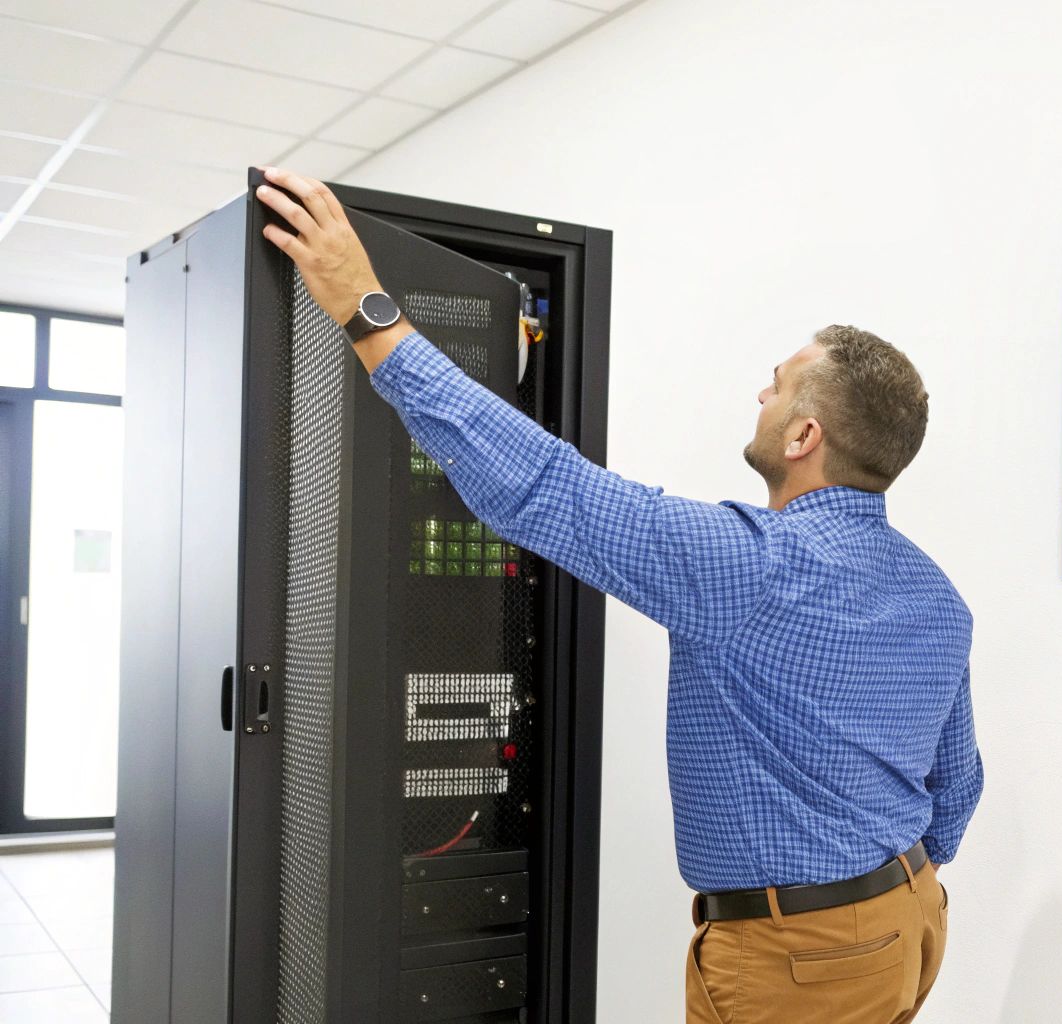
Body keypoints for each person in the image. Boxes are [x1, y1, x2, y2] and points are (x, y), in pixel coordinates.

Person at [255, 167, 984, 1023]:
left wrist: (367, 310)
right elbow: (957, 788)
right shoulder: (938, 595)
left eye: (778, 384)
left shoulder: (747, 565)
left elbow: (542, 486)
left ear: (804, 436)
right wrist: (880, 894)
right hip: (910, 919)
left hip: (799, 956)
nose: (761, 393)